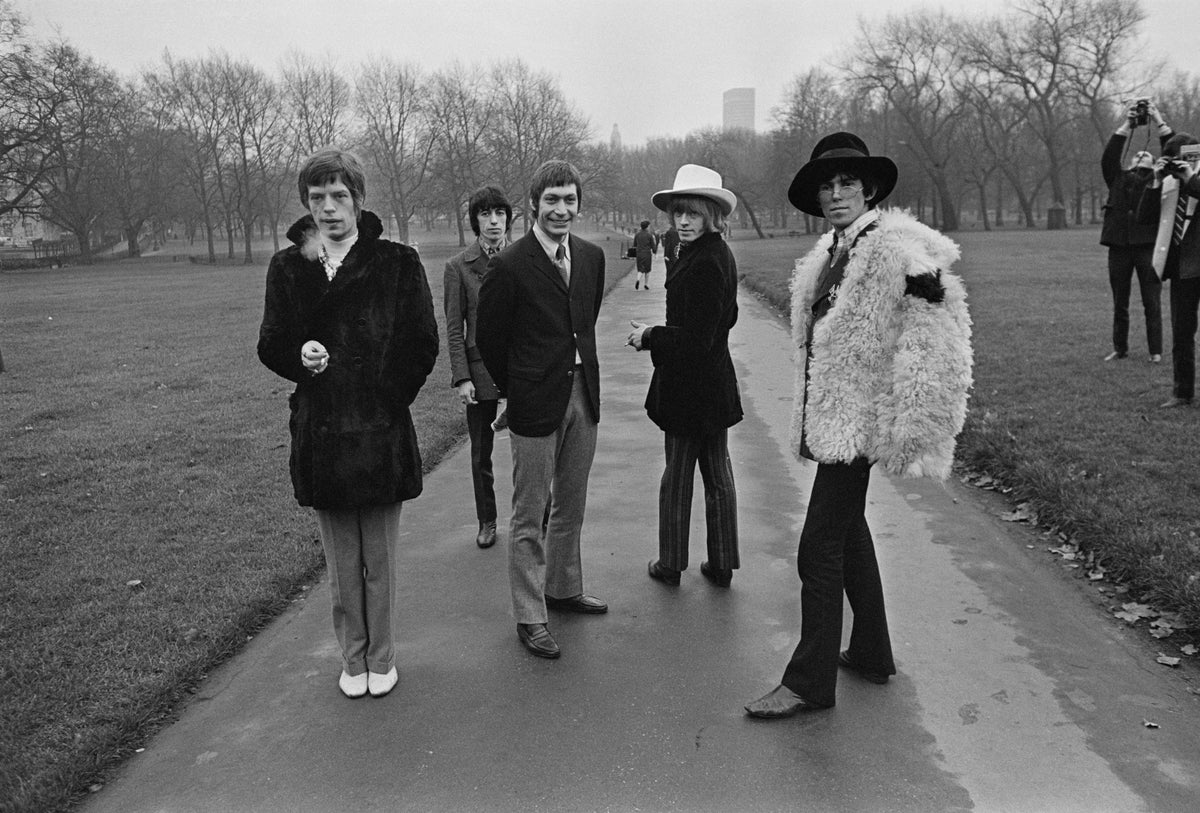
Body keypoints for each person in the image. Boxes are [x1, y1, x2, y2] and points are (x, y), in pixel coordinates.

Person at [744, 132, 972, 719]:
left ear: (868, 188)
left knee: (818, 544)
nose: (835, 193)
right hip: (835, 418)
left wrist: (916, 424)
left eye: (847, 182)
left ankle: (809, 682)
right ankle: (871, 650)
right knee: (846, 532)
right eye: (826, 184)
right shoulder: (831, 251)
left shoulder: (900, 248)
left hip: (862, 421)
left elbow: (938, 338)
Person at [257, 149, 439, 699]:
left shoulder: (398, 263)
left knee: (378, 561)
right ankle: (352, 657)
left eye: (340, 196)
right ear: (307, 204)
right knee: (341, 566)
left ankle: (381, 656)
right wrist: (301, 356)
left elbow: (422, 344)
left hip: (381, 432)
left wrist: (386, 398)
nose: (329, 209)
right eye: (318, 198)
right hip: (323, 434)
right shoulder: (290, 267)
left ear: (359, 200)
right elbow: (271, 344)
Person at [477, 159, 608, 660]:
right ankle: (531, 615)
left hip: (583, 394)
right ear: (534, 203)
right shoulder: (510, 264)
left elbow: (585, 321)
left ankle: (563, 587)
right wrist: (518, 388)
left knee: (571, 504)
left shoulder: (592, 258)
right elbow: (490, 339)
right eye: (551, 199)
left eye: (569, 199)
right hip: (534, 402)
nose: (561, 209)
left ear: (578, 204)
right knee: (530, 513)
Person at [627, 164, 742, 589]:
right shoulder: (710, 254)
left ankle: (672, 563)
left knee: (679, 476)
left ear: (712, 215)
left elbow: (696, 339)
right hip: (712, 386)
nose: (684, 222)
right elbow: (726, 316)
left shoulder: (708, 260)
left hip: (692, 388)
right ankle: (722, 562)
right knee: (717, 475)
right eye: (679, 214)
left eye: (693, 214)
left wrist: (649, 336)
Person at [444, 185, 512, 549]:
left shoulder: (521, 257)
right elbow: (455, 329)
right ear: (476, 221)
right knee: (480, 453)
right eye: (485, 214)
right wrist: (462, 378)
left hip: (520, 370)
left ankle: (539, 512)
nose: (494, 221)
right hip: (480, 370)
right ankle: (487, 520)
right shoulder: (458, 267)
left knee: (531, 449)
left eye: (499, 213)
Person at [1100, 100, 1173, 363]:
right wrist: (1127, 125)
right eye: (1137, 155)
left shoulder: (1157, 180)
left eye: (1146, 156)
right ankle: (1120, 348)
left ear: (1153, 161)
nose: (1141, 156)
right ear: (1130, 161)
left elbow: (1173, 153)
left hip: (1146, 247)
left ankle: (1155, 352)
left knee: (1151, 301)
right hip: (1118, 247)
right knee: (1120, 301)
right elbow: (1109, 157)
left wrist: (1157, 118)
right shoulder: (1117, 179)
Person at [1138, 132, 1200, 408]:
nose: (1180, 164)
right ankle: (1182, 392)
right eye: (1174, 160)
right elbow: (1144, 218)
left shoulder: (1193, 179)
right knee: (1182, 332)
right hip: (1182, 267)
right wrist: (1155, 180)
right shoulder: (1167, 184)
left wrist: (1191, 180)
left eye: (1186, 159)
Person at [633, 219, 657, 290]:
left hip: (639, 253)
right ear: (647, 227)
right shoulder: (649, 235)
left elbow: (634, 244)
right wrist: (654, 252)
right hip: (647, 254)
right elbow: (653, 245)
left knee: (640, 269)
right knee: (647, 269)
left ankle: (638, 279)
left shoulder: (637, 234)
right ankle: (646, 284)